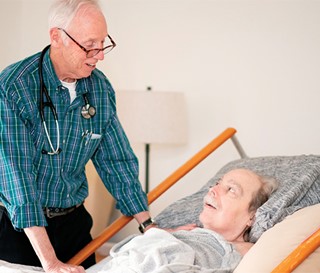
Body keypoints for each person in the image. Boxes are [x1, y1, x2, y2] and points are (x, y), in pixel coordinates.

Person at [0, 1, 155, 272]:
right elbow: (16, 178)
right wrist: (50, 262)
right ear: (56, 37)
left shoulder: (99, 88)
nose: (100, 55)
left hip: (73, 225)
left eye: (103, 43)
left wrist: (149, 227)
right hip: (19, 229)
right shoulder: (14, 88)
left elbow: (116, 162)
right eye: (89, 44)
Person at [86, 168, 279, 273]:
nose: (213, 190)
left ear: (252, 216)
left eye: (231, 190)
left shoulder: (243, 251)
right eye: (217, 184)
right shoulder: (184, 234)